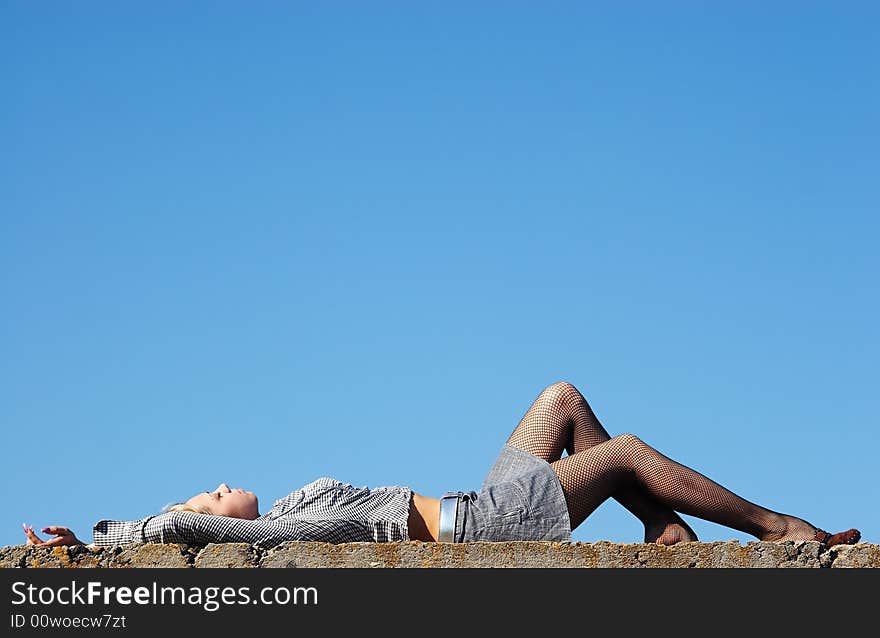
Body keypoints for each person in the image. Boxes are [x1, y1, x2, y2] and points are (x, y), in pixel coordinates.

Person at [22, 382, 861, 549]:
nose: (220, 484)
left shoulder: (286, 505)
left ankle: (664, 529)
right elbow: (180, 523)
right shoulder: (283, 530)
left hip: (474, 497)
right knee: (630, 450)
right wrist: (121, 534)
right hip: (494, 525)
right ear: (223, 523)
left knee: (561, 398)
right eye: (213, 495)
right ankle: (782, 529)